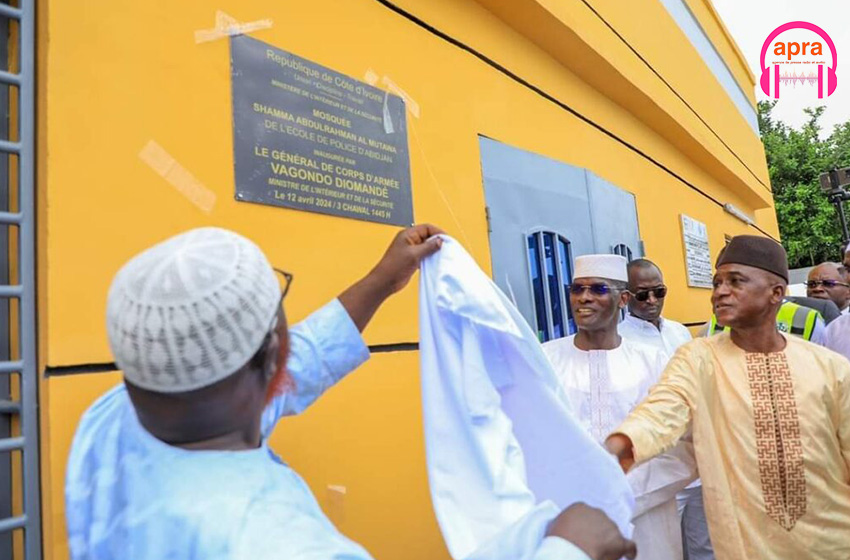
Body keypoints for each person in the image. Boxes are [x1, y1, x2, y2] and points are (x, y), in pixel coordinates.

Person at [66, 225, 636, 560]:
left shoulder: (115, 418)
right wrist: (568, 550)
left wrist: (384, 281)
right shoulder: (274, 540)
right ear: (270, 358)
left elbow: (301, 359)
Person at [606, 235, 850, 560]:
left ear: (776, 293)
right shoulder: (698, 358)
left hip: (833, 543)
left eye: (736, 281)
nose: (720, 291)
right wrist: (619, 446)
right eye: (717, 282)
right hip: (746, 547)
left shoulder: (830, 367)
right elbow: (662, 410)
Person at [543, 255, 694, 560]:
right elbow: (532, 439)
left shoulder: (655, 363)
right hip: (570, 519)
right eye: (577, 289)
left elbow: (685, 446)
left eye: (598, 289)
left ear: (623, 299)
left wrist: (624, 496)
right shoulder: (545, 361)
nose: (584, 298)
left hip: (646, 518)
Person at [617, 259, 713, 560]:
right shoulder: (619, 342)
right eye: (642, 294)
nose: (652, 301)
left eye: (659, 292)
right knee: (663, 549)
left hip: (698, 460)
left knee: (706, 547)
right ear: (625, 296)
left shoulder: (680, 333)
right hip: (657, 470)